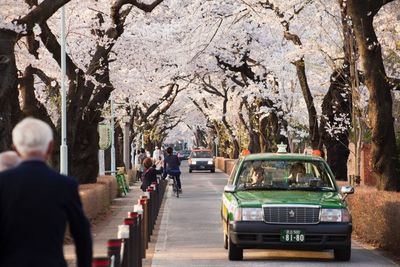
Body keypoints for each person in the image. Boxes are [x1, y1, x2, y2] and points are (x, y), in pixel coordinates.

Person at [0, 118, 92, 267]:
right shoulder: (65, 185)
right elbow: (82, 234)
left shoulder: (3, 183)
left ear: (15, 149)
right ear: (50, 147)